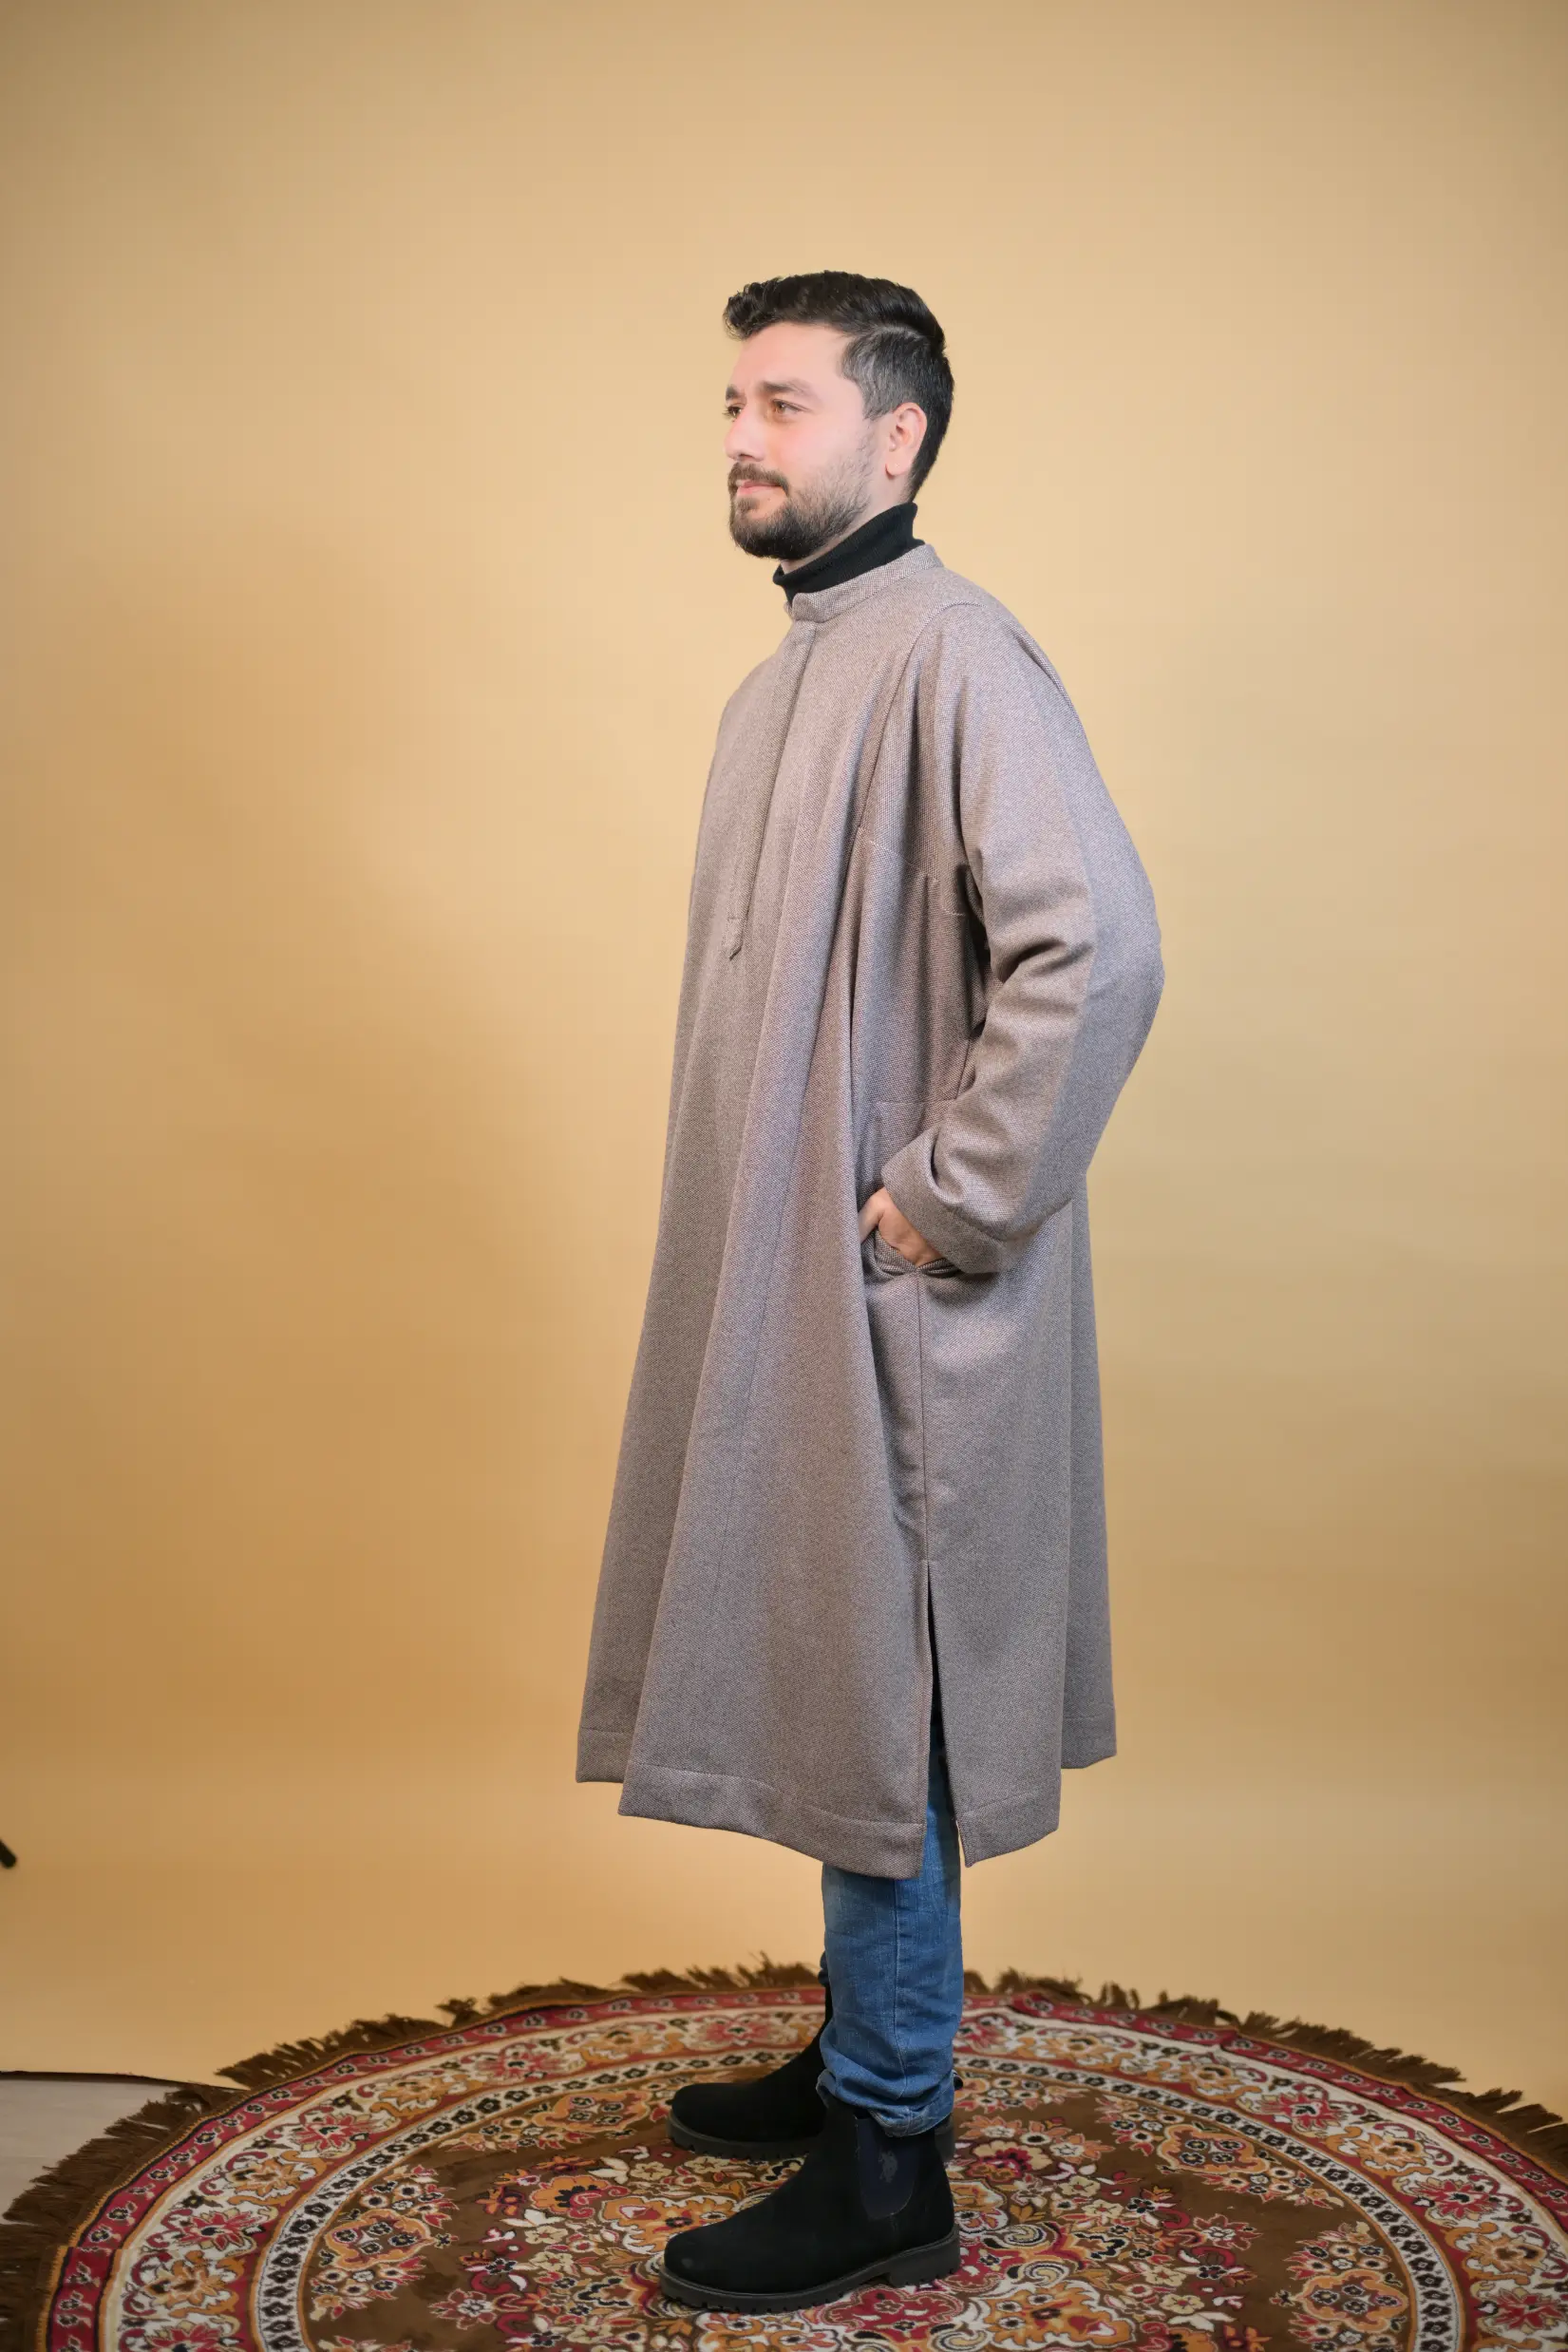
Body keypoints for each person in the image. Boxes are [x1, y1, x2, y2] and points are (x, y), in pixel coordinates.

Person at [576, 271, 1164, 2314]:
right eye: (732, 403)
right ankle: (855, 2061)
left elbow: (1096, 949)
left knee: (887, 1696)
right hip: (787, 1281)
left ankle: (892, 2147)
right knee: (832, 1664)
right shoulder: (787, 679)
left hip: (903, 1302)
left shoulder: (958, 654)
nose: (742, 437)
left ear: (894, 437)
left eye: (785, 403)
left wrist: (948, 1198)